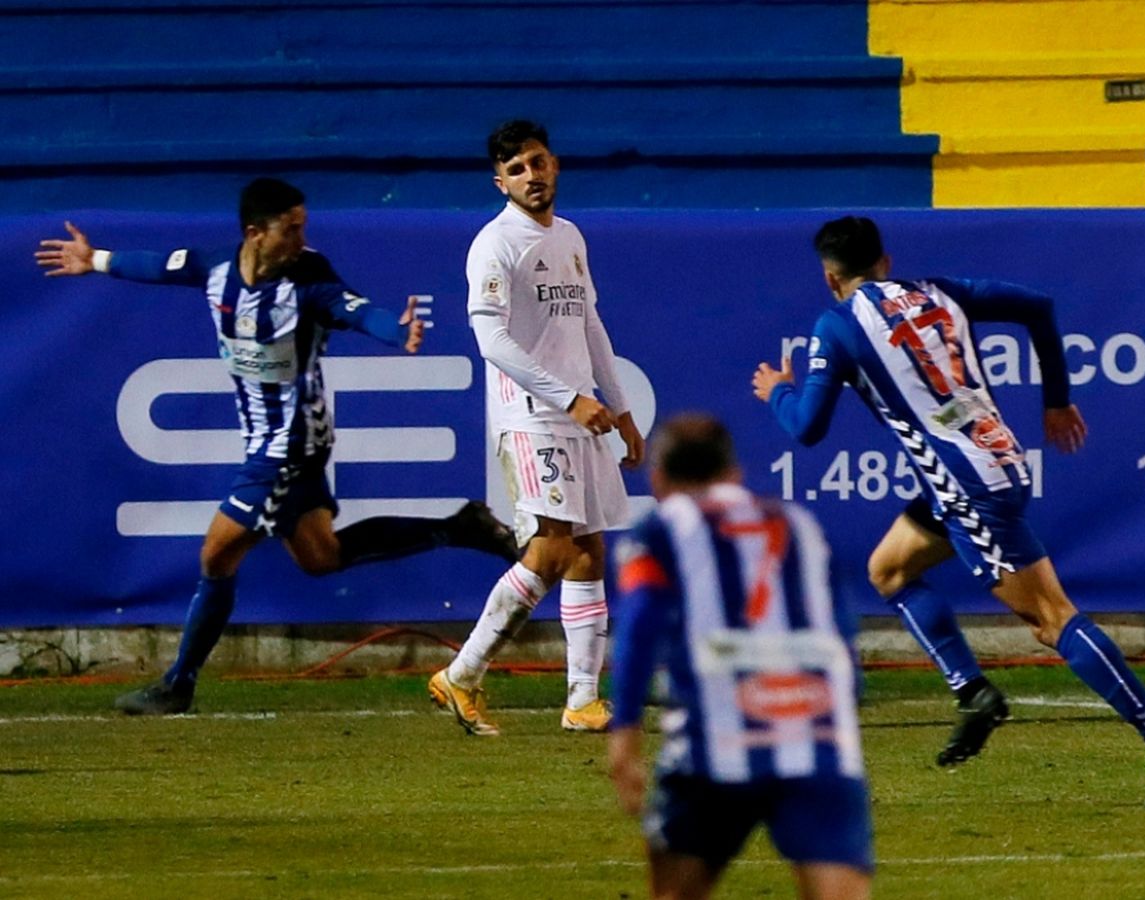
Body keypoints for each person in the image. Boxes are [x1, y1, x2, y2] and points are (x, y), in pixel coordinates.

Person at [753, 216, 1145, 809]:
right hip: (988, 464)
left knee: (1051, 619)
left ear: (830, 276)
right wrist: (1057, 399)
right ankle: (973, 693)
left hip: (968, 487)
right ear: (885, 261)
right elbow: (1037, 306)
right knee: (889, 570)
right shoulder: (940, 291)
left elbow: (806, 427)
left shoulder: (836, 326)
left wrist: (777, 391)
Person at [34, 177, 520, 715]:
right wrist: (94, 259)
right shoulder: (216, 269)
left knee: (217, 550)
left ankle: (179, 683)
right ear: (255, 234)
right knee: (320, 556)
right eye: (291, 229)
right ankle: (458, 526)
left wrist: (394, 330)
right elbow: (159, 266)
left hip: (289, 443)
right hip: (268, 439)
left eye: (302, 226)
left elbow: (354, 309)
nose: (301, 239)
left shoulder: (308, 280)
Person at [428, 119, 647, 736]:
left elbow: (591, 326)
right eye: (517, 168)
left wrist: (621, 409)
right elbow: (490, 339)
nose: (532, 176)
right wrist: (569, 397)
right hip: (530, 417)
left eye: (538, 162)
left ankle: (580, 701)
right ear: (500, 181)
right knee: (555, 547)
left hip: (580, 416)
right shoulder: (495, 244)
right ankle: (463, 673)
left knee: (588, 550)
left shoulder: (571, 238)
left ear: (555, 165)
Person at [607, 414, 872, 900]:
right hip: (815, 734)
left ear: (659, 478)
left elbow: (639, 621)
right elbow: (842, 629)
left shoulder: (658, 529)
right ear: (734, 474)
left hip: (714, 741)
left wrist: (624, 731)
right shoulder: (802, 523)